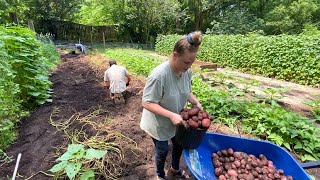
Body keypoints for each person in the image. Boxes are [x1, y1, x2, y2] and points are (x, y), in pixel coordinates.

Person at [140, 31, 203, 180]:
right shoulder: (159, 75)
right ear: (175, 55)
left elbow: (185, 91)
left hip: (177, 119)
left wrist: (195, 101)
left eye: (191, 63)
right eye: (186, 62)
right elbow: (146, 102)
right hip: (158, 123)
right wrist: (171, 115)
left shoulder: (186, 72)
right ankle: (159, 175)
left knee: (179, 144)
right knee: (162, 150)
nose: (189, 67)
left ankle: (175, 168)